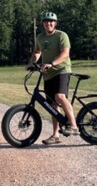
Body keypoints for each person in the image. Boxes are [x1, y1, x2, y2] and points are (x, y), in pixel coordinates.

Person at [27, 11, 78, 145]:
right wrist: (32, 63)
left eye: (51, 21)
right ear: (43, 24)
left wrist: (52, 64)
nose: (48, 24)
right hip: (48, 74)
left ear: (55, 23)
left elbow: (65, 54)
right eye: (46, 22)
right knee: (52, 105)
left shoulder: (62, 35)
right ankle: (55, 135)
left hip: (62, 70)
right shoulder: (40, 37)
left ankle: (73, 126)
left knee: (60, 96)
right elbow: (37, 52)